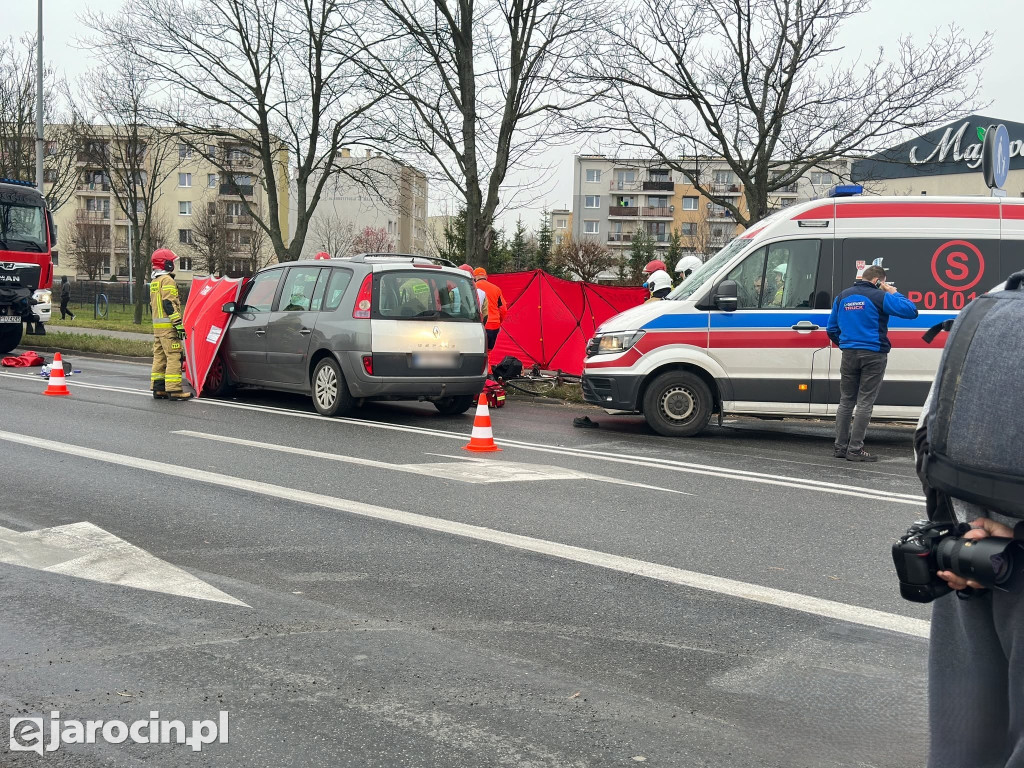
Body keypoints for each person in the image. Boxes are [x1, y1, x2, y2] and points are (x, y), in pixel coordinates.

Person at [917, 280, 1021, 768]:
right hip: (997, 554)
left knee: (962, 742)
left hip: (972, 555)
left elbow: (930, 433)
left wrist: (957, 528)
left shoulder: (994, 303)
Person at [826, 264, 917, 461]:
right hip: (873, 354)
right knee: (865, 401)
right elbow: (911, 311)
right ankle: (855, 449)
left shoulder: (842, 297)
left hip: (849, 354)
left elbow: (831, 328)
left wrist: (845, 345)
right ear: (878, 281)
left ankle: (840, 447)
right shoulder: (880, 296)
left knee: (846, 400)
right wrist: (894, 293)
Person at [149, 248, 192, 401]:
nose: (173, 264)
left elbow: (153, 306)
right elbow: (168, 303)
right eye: (171, 262)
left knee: (160, 358)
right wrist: (178, 324)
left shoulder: (155, 281)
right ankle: (174, 390)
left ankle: (158, 388)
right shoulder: (167, 280)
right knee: (174, 357)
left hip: (158, 329)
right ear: (165, 264)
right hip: (168, 329)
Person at [473, 267, 507, 351]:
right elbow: (503, 309)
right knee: (489, 352)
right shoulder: (496, 289)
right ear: (486, 276)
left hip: (478, 325)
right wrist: (499, 322)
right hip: (494, 325)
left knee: (477, 351)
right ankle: (488, 364)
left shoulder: (472, 288)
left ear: (474, 277)